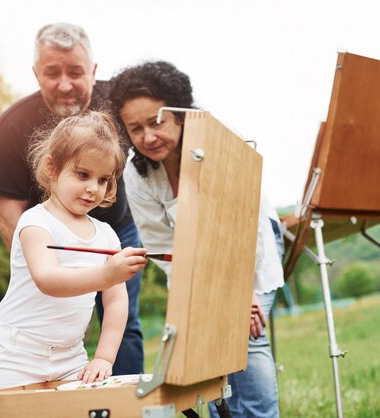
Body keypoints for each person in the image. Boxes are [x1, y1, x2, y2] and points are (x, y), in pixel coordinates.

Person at [109, 60, 284, 418]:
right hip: (195, 264)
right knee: (204, 342)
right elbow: (165, 249)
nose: (148, 137)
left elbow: (244, 226)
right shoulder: (137, 174)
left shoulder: (220, 142)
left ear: (180, 113)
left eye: (156, 122)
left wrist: (239, 293)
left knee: (240, 331)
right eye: (135, 129)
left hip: (251, 245)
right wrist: (191, 305)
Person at [0, 23, 144, 375]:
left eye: (104, 179)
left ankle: (122, 396)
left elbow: (114, 295)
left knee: (126, 320)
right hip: (22, 350)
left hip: (115, 227)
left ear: (93, 70)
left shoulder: (120, 101)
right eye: (52, 73)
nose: (65, 84)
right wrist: (38, 260)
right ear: (36, 73)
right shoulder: (14, 125)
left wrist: (101, 355)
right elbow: (12, 218)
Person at [0, 111, 148, 391]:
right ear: (52, 167)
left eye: (103, 179)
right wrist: (107, 274)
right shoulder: (36, 221)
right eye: (83, 174)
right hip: (15, 357)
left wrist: (105, 358)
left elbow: (117, 302)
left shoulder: (107, 235)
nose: (92, 188)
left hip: (72, 358)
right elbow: (48, 279)